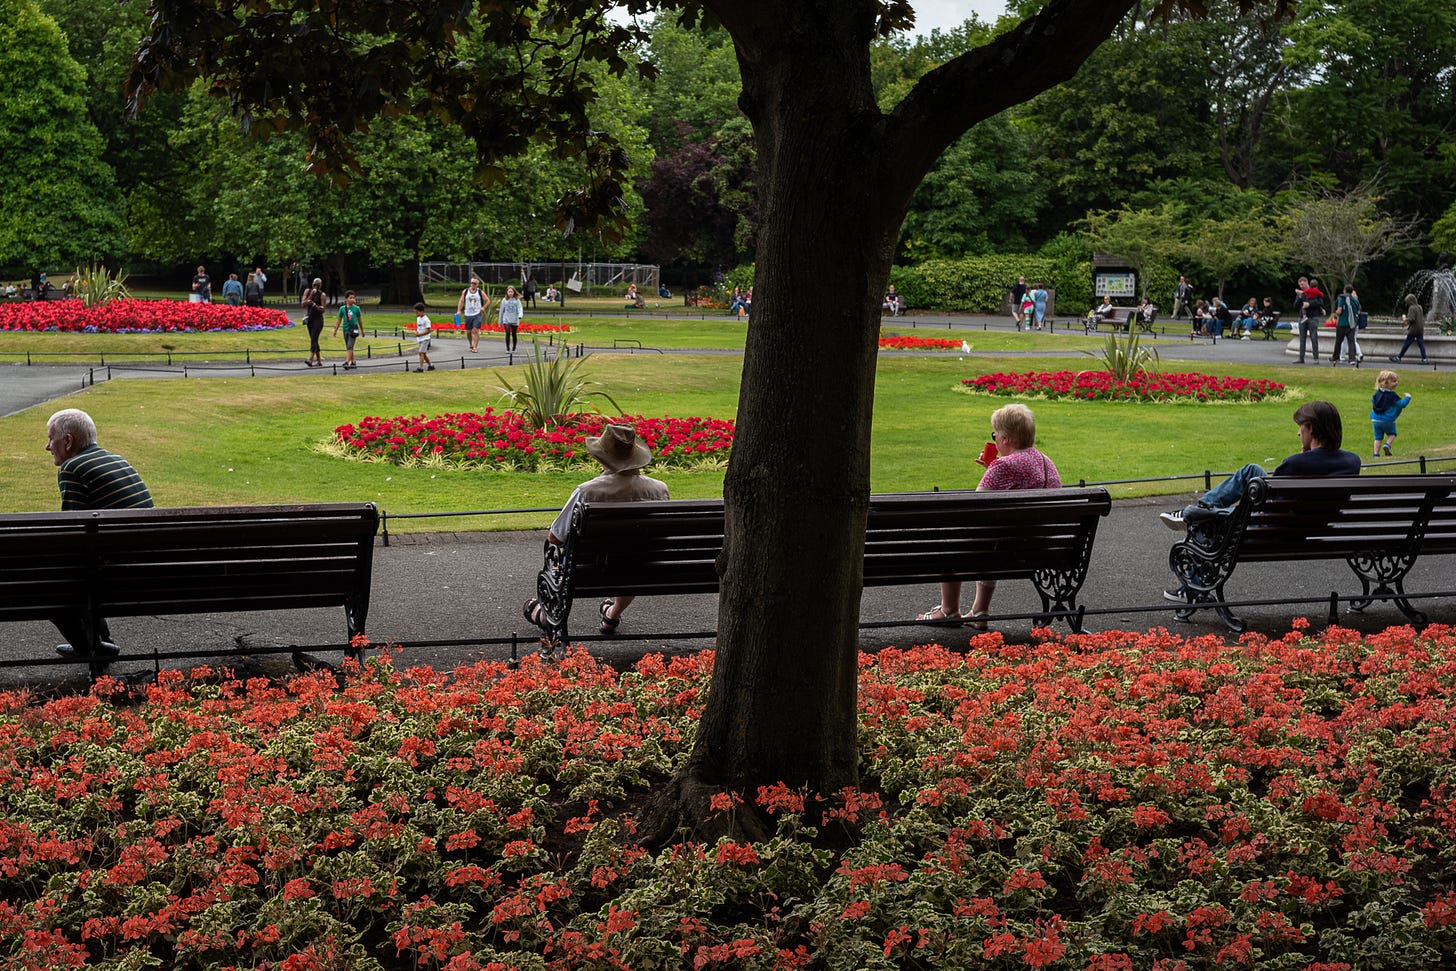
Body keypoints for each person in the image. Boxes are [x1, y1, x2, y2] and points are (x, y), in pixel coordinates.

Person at [1159, 401, 1361, 601]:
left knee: (1203, 520)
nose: (1298, 433)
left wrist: (1304, 458)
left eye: (1301, 427)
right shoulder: (1352, 462)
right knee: (1252, 471)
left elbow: (1271, 507)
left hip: (1270, 530)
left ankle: (1192, 578)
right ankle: (1201, 508)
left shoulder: (1296, 463)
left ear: (1311, 429)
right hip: (1313, 526)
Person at [917, 403, 1061, 630]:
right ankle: (979, 610)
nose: (994, 440)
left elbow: (976, 508)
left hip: (1002, 548)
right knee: (995, 534)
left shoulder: (1003, 466)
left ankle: (949, 610)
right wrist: (991, 470)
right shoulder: (1046, 462)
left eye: (995, 435)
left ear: (1006, 440)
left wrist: (993, 471)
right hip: (1043, 547)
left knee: (953, 538)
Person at [523, 424, 670, 641]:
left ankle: (547, 618)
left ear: (601, 458)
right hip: (642, 570)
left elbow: (555, 537)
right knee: (632, 558)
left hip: (588, 571)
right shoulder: (659, 489)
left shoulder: (588, 491)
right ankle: (612, 615)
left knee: (561, 563)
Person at [45, 409, 154, 660]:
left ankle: (90, 649)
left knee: (48, 589)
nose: (48, 446)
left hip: (121, 573)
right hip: (145, 564)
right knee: (84, 570)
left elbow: (74, 532)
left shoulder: (72, 468)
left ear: (68, 441)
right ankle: (100, 643)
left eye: (51, 439)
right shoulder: (116, 459)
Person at [1370, 370, 1412, 458]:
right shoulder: (1392, 395)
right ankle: (1387, 445)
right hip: (1388, 420)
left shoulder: (1376, 394)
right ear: (1386, 382)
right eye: (1393, 381)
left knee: (1377, 437)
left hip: (1375, 420)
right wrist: (1408, 397)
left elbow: (1373, 400)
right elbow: (1402, 404)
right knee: (1392, 434)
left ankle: (1376, 454)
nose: (1396, 383)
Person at [1390, 293, 1429, 364]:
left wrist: (1404, 320)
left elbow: (1411, 319)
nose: (1407, 303)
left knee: (1407, 343)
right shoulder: (1420, 307)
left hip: (1414, 329)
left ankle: (1398, 357)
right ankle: (1424, 359)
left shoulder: (1411, 308)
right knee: (1421, 344)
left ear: (1410, 301)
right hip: (1420, 328)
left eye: (1407, 302)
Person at [1296, 277, 1325, 363]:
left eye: (1303, 284)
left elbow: (1320, 303)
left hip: (1312, 317)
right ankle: (1301, 358)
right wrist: (1300, 298)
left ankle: (1316, 358)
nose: (1302, 286)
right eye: (1300, 284)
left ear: (1307, 282)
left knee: (1313, 338)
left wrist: (1309, 304)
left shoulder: (1315, 292)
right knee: (1302, 338)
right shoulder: (1301, 293)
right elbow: (1295, 306)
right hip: (1302, 317)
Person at [333, 290, 363, 369]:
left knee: (350, 346)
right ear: (346, 299)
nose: (352, 299)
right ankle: (353, 362)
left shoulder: (357, 308)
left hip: (354, 329)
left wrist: (362, 331)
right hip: (345, 329)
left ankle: (346, 362)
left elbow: (360, 320)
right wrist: (335, 330)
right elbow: (339, 320)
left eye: (353, 298)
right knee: (349, 347)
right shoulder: (342, 309)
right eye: (350, 298)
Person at [456, 277, 488, 353]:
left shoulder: (480, 292)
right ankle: (470, 344)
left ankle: (475, 347)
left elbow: (487, 300)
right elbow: (461, 301)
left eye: (474, 283)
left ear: (477, 284)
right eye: (471, 283)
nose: (472, 284)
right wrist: (459, 310)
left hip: (477, 313)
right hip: (468, 314)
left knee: (475, 330)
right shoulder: (466, 291)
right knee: (468, 332)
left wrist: (483, 307)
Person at [301, 277, 327, 367]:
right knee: (314, 339)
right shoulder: (307, 291)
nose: (316, 286)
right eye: (314, 285)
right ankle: (319, 360)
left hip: (318, 320)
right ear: (312, 284)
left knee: (314, 338)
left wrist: (315, 305)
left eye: (318, 285)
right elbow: (303, 304)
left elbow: (323, 310)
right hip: (310, 319)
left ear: (320, 286)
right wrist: (311, 296)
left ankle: (310, 359)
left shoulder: (322, 295)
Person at [1331, 285, 1360, 365]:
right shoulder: (1355, 300)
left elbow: (1339, 310)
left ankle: (1335, 357)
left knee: (1338, 341)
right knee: (1351, 341)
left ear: (1344, 290)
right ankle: (1352, 359)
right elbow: (1358, 311)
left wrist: (1335, 313)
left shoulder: (1341, 298)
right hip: (1352, 323)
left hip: (1342, 323)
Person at [498, 285, 524, 352]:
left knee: (514, 334)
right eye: (509, 292)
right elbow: (501, 311)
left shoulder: (517, 300)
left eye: (511, 292)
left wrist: (520, 315)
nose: (510, 293)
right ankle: (507, 348)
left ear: (514, 292)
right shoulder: (504, 300)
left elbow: (520, 308)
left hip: (515, 319)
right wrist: (500, 321)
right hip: (506, 319)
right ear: (507, 292)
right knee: (507, 333)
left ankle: (514, 347)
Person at [412, 301, 435, 372]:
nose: (416, 314)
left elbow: (429, 330)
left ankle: (421, 368)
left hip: (425, 339)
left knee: (421, 352)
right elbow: (419, 327)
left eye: (417, 312)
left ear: (422, 311)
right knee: (423, 354)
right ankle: (431, 365)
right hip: (420, 338)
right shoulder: (418, 318)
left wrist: (420, 334)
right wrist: (417, 332)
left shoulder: (426, 319)